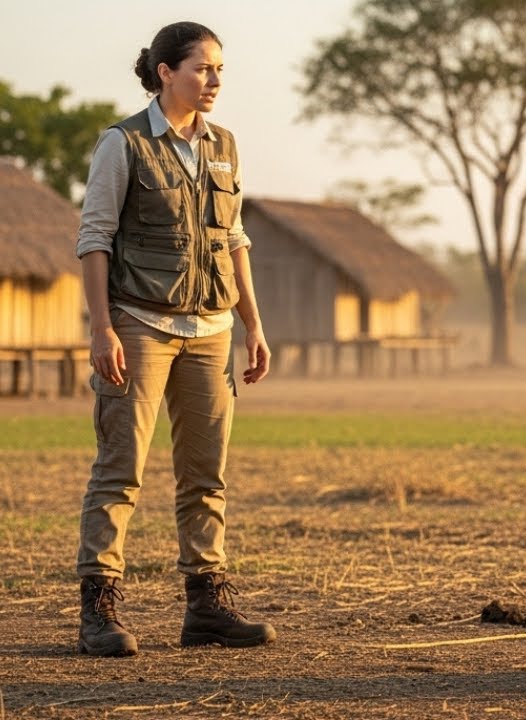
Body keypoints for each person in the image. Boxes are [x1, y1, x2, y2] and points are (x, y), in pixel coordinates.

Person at [74, 21, 275, 657]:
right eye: (202, 68)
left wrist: (253, 324)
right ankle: (99, 609)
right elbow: (94, 239)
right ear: (166, 72)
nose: (214, 81)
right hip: (139, 324)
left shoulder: (225, 145)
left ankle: (207, 607)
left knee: (205, 474)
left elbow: (235, 239)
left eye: (220, 70)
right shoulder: (123, 143)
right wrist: (102, 327)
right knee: (120, 468)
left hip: (211, 329)